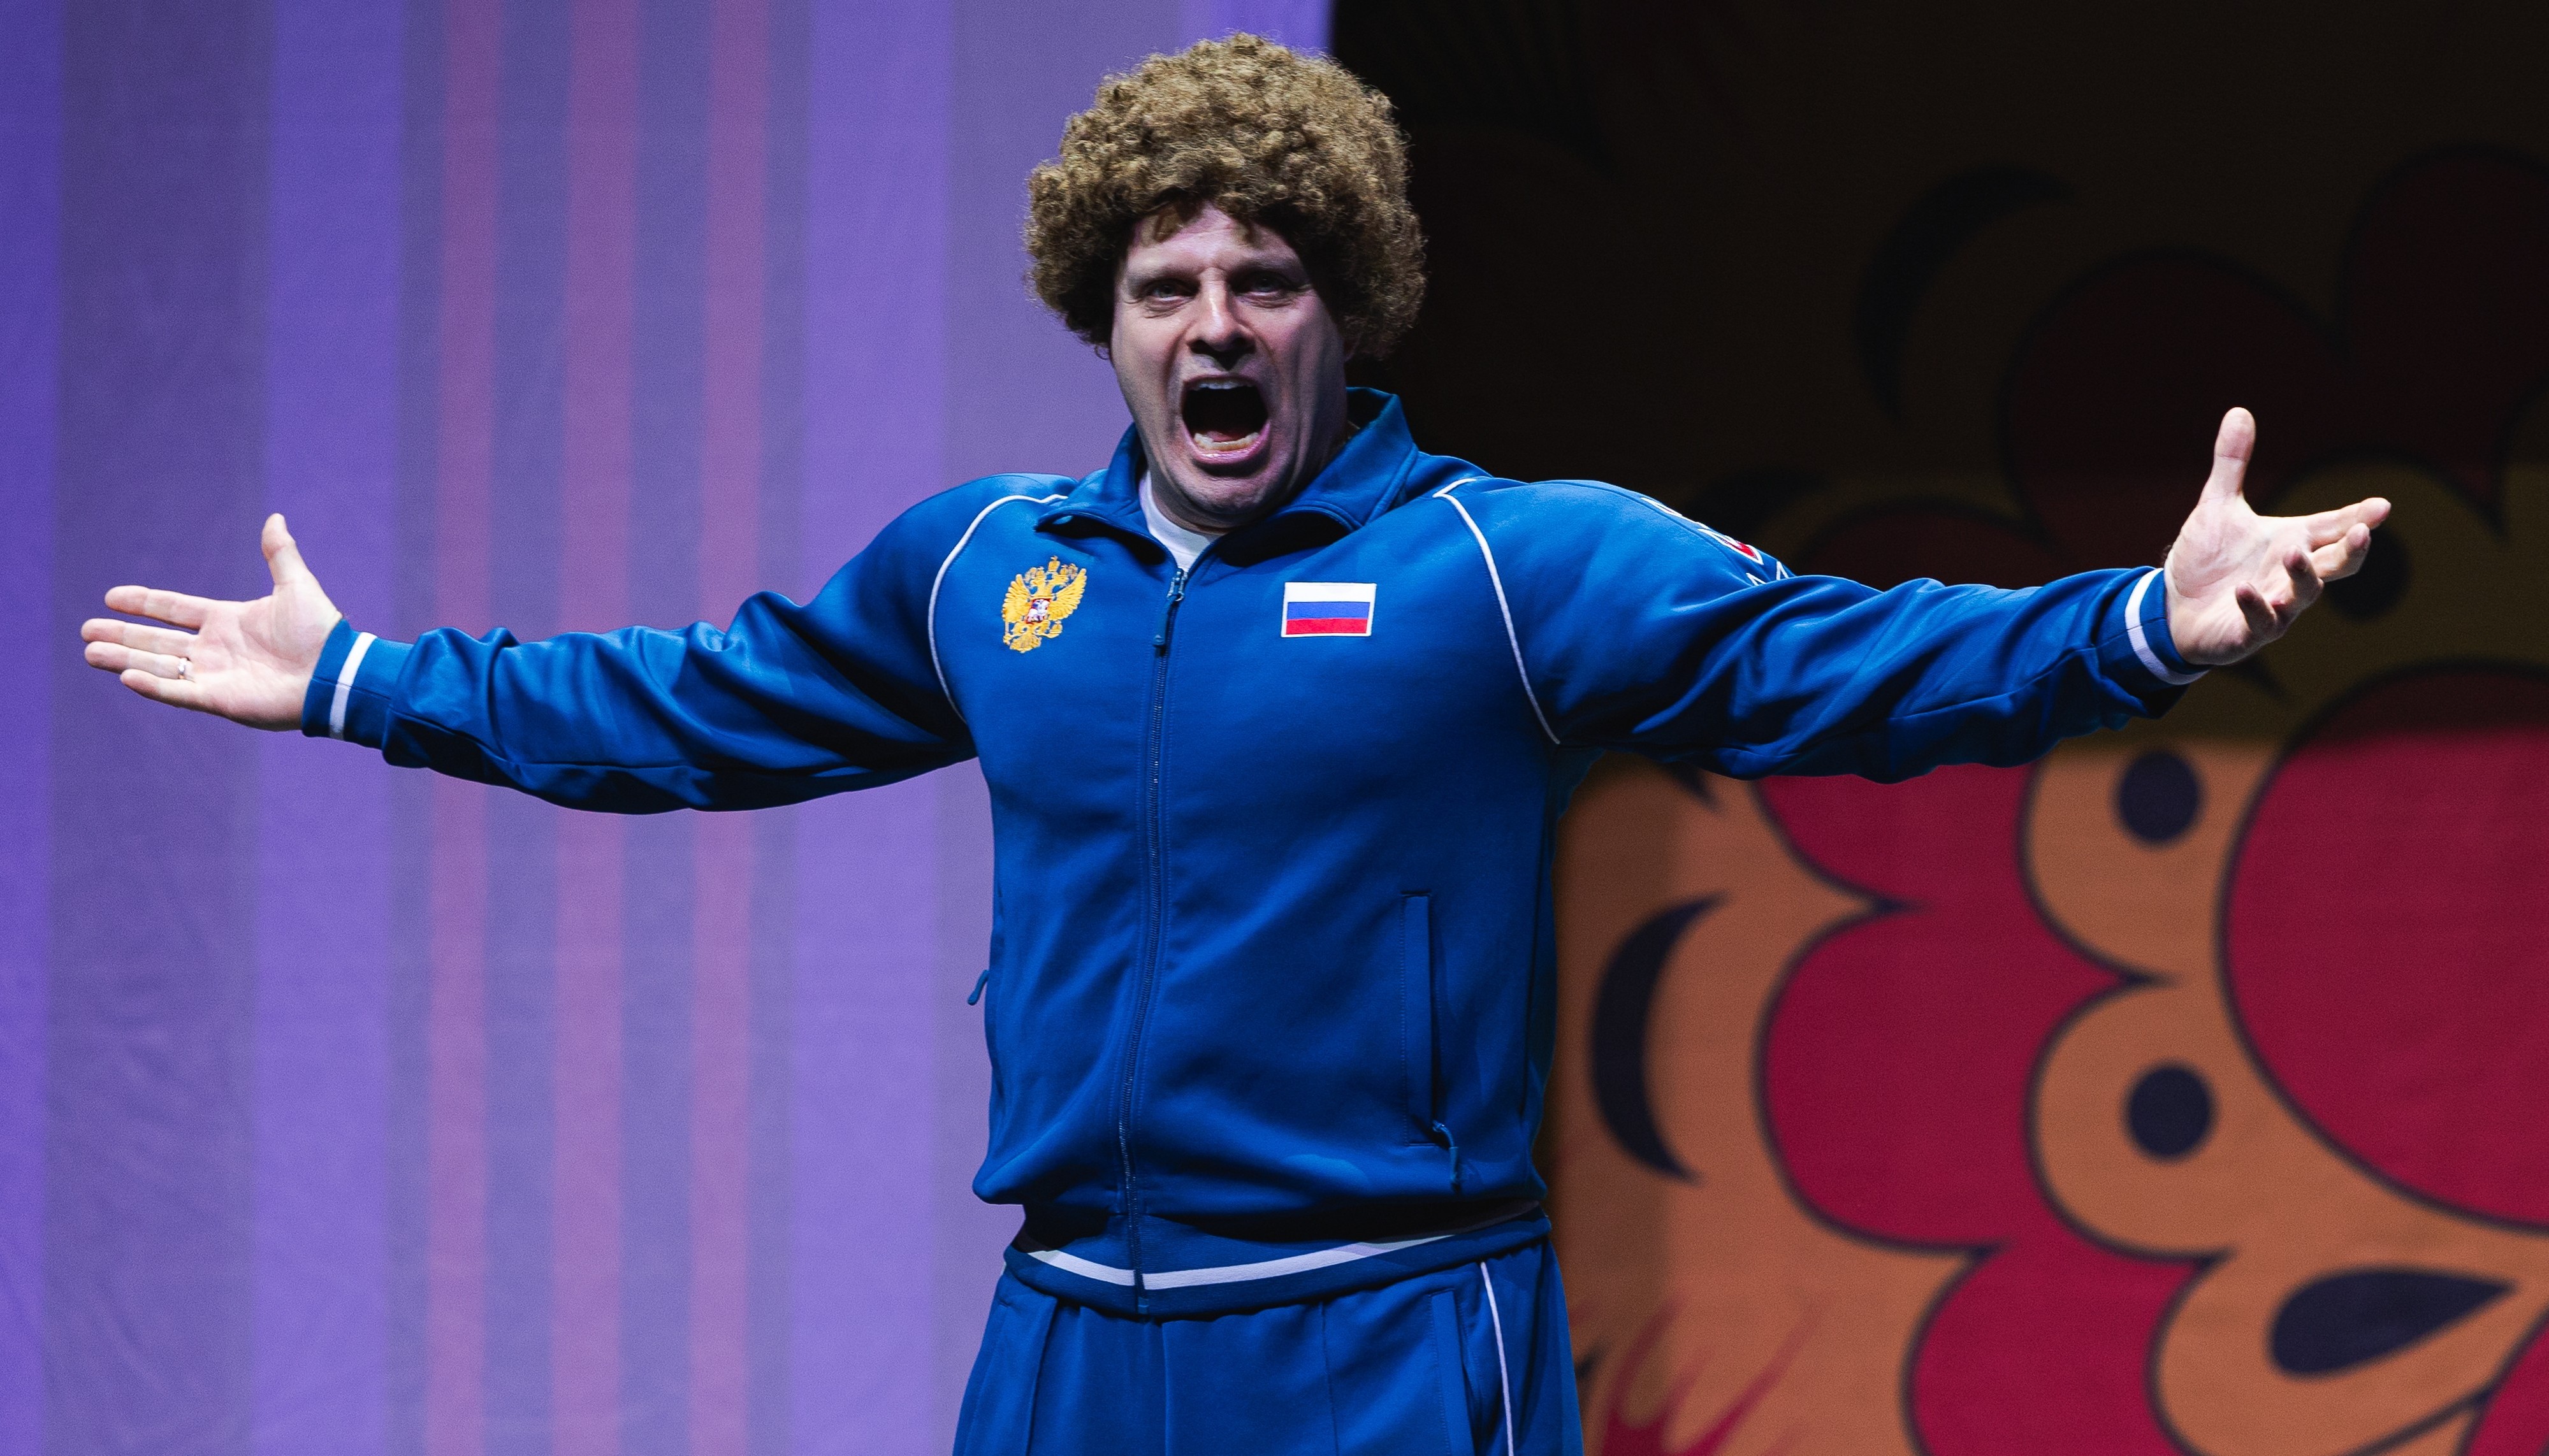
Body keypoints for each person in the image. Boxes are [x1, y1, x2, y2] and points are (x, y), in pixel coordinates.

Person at [80, 34, 2386, 1456]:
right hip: (1074, 1343)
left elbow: (1838, 663)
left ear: (1339, 310)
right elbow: (695, 701)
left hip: (1396, 1342)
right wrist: (365, 680)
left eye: (1264, 280)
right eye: (1166, 285)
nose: (1216, 323)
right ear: (1102, 320)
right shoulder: (987, 570)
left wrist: (2139, 627)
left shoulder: (1504, 562)